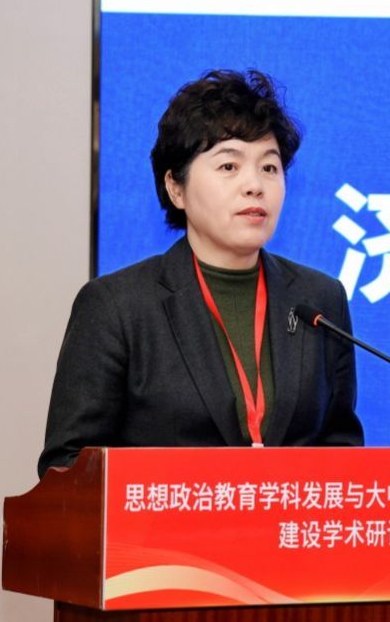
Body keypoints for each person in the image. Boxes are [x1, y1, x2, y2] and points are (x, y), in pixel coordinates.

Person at [38, 70, 363, 477]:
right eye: (229, 166)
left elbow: (341, 451)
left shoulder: (321, 299)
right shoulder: (117, 307)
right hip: (160, 520)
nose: (254, 185)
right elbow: (66, 466)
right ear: (176, 188)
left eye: (269, 167)